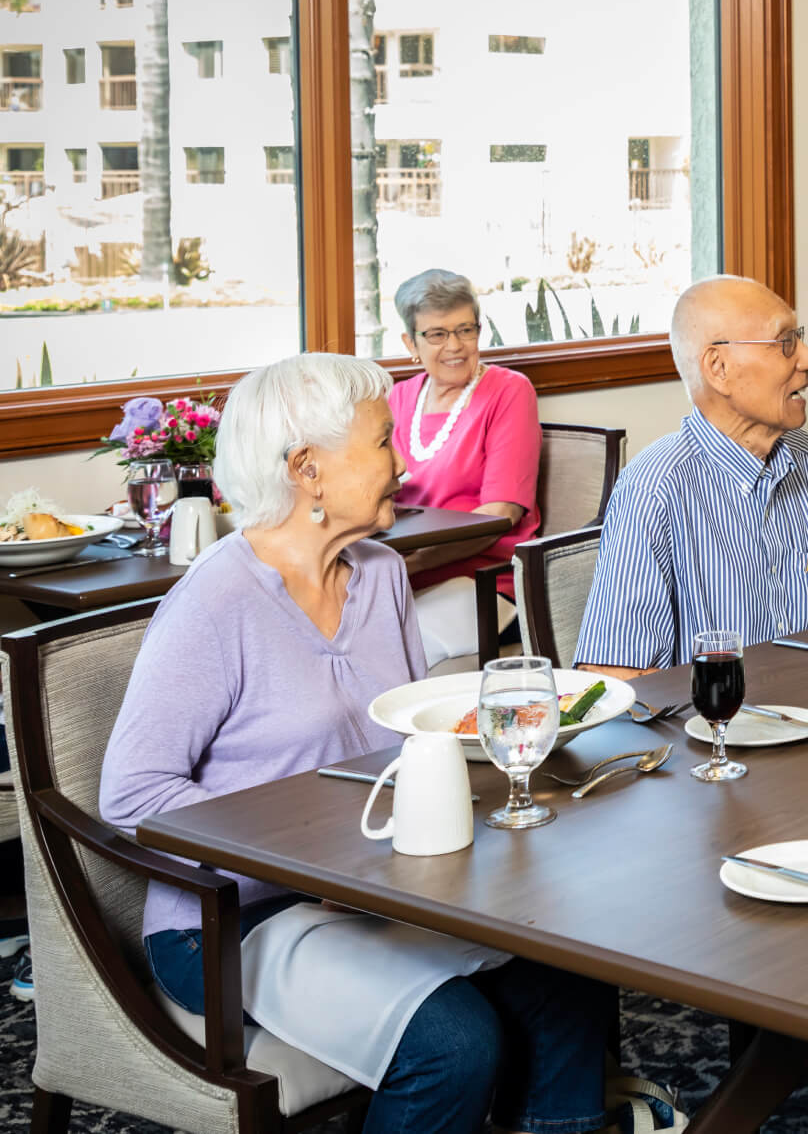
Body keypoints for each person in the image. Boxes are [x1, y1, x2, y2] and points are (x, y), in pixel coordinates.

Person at [99, 353, 619, 1134]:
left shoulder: (378, 572)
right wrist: (306, 845)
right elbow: (132, 794)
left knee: (572, 978)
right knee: (454, 1043)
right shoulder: (214, 602)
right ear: (307, 469)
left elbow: (415, 734)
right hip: (234, 916)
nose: (403, 461)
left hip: (375, 887)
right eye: (383, 441)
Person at [575, 276, 808, 677]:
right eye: (785, 343)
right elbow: (616, 677)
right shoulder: (656, 488)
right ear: (718, 368)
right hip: (714, 730)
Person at [386, 268, 542, 669]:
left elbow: (500, 515)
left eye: (465, 330)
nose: (454, 346)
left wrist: (411, 564)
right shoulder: (398, 398)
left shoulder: (508, 391)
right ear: (411, 343)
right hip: (402, 577)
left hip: (485, 582)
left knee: (389, 651)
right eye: (437, 334)